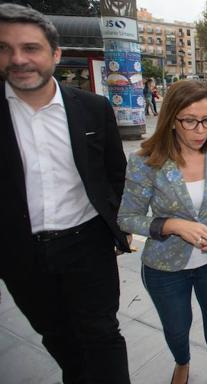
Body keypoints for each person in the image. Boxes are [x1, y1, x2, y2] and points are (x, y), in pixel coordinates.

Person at [0, 4, 131, 383]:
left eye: (31, 48)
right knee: (58, 338)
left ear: (55, 54)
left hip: (87, 245)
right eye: (5, 48)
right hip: (21, 256)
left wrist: (118, 226)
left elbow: (115, 175)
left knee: (103, 335)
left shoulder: (92, 108)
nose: (18, 59)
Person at [117, 80, 207, 384]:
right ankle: (182, 361)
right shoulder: (145, 162)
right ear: (172, 119)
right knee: (177, 329)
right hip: (164, 269)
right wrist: (172, 225)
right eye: (189, 121)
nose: (200, 131)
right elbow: (127, 218)